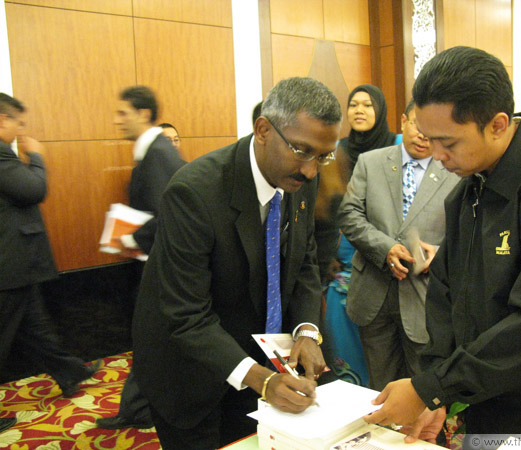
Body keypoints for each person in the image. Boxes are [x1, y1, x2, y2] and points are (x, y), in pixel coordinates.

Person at [364, 46, 521, 444]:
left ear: (497, 124)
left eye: (448, 143)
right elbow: (445, 295)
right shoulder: (469, 189)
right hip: (489, 398)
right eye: (429, 140)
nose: (437, 156)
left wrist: (431, 387)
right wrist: (436, 386)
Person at [131, 77, 342, 449]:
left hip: (256, 361)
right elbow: (186, 314)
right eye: (301, 151)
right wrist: (261, 379)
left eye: (323, 156)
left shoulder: (300, 179)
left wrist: (307, 331)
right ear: (263, 130)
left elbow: (304, 261)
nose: (311, 170)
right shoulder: (194, 192)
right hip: (190, 373)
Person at [338, 99, 459, 391]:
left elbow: (466, 230)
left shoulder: (455, 170)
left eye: (432, 129)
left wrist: (440, 254)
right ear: (404, 121)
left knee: (423, 388)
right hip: (373, 292)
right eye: (417, 125)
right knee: (380, 387)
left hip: (426, 296)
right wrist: (385, 249)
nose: (423, 135)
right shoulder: (371, 162)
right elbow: (349, 213)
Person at [96, 87, 185, 430]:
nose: (116, 120)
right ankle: (139, 408)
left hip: (164, 268)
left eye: (123, 113)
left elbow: (168, 213)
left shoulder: (158, 154)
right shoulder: (152, 152)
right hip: (156, 264)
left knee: (151, 340)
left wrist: (132, 238)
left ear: (143, 114)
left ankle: (140, 409)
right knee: (153, 341)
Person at [0, 93, 99, 399]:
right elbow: (34, 188)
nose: (21, 131)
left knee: (35, 328)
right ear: (2, 119)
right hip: (9, 266)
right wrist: (36, 157)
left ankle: (69, 372)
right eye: (18, 123)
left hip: (15, 266)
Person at [320, 84, 401, 387]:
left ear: (380, 110)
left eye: (368, 105)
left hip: (389, 259)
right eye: (354, 105)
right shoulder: (336, 150)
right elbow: (325, 206)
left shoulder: (398, 146)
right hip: (342, 259)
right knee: (344, 348)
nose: (360, 111)